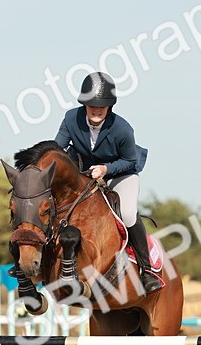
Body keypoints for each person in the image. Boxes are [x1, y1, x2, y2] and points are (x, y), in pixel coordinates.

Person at [54, 71, 162, 294]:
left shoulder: (122, 129)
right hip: (85, 175)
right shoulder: (70, 119)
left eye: (101, 105)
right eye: (92, 104)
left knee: (129, 213)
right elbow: (58, 150)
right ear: (84, 104)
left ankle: (147, 269)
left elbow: (130, 160)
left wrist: (106, 169)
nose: (96, 109)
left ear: (109, 107)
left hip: (120, 173)